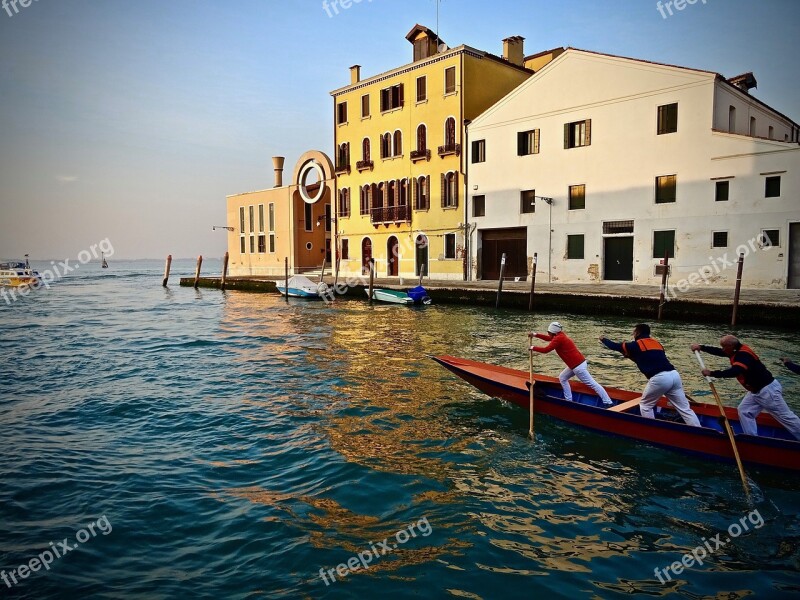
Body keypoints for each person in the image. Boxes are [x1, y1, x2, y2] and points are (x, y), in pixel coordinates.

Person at [692, 336, 800, 440]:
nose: (723, 349)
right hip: (755, 391)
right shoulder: (734, 350)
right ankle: (752, 438)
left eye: (724, 347)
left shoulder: (743, 355)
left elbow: (735, 371)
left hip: (767, 391)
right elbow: (720, 352)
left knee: (787, 418)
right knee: (744, 411)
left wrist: (712, 373)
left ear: (731, 346)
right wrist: (702, 347)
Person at [600, 323, 700, 426]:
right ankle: (699, 432)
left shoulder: (635, 345)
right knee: (685, 409)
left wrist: (603, 339)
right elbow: (649, 357)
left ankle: (653, 429)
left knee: (645, 405)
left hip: (660, 378)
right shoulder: (657, 344)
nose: (633, 334)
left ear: (638, 333)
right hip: (674, 375)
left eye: (634, 332)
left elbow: (615, 346)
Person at [529, 322, 613, 406]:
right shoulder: (559, 335)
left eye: (548, 332)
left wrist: (532, 348)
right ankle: (568, 400)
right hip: (577, 364)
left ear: (553, 332)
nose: (548, 333)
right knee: (562, 377)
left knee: (592, 384)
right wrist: (535, 334)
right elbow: (548, 338)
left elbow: (546, 350)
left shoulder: (558, 339)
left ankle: (608, 402)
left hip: (578, 366)